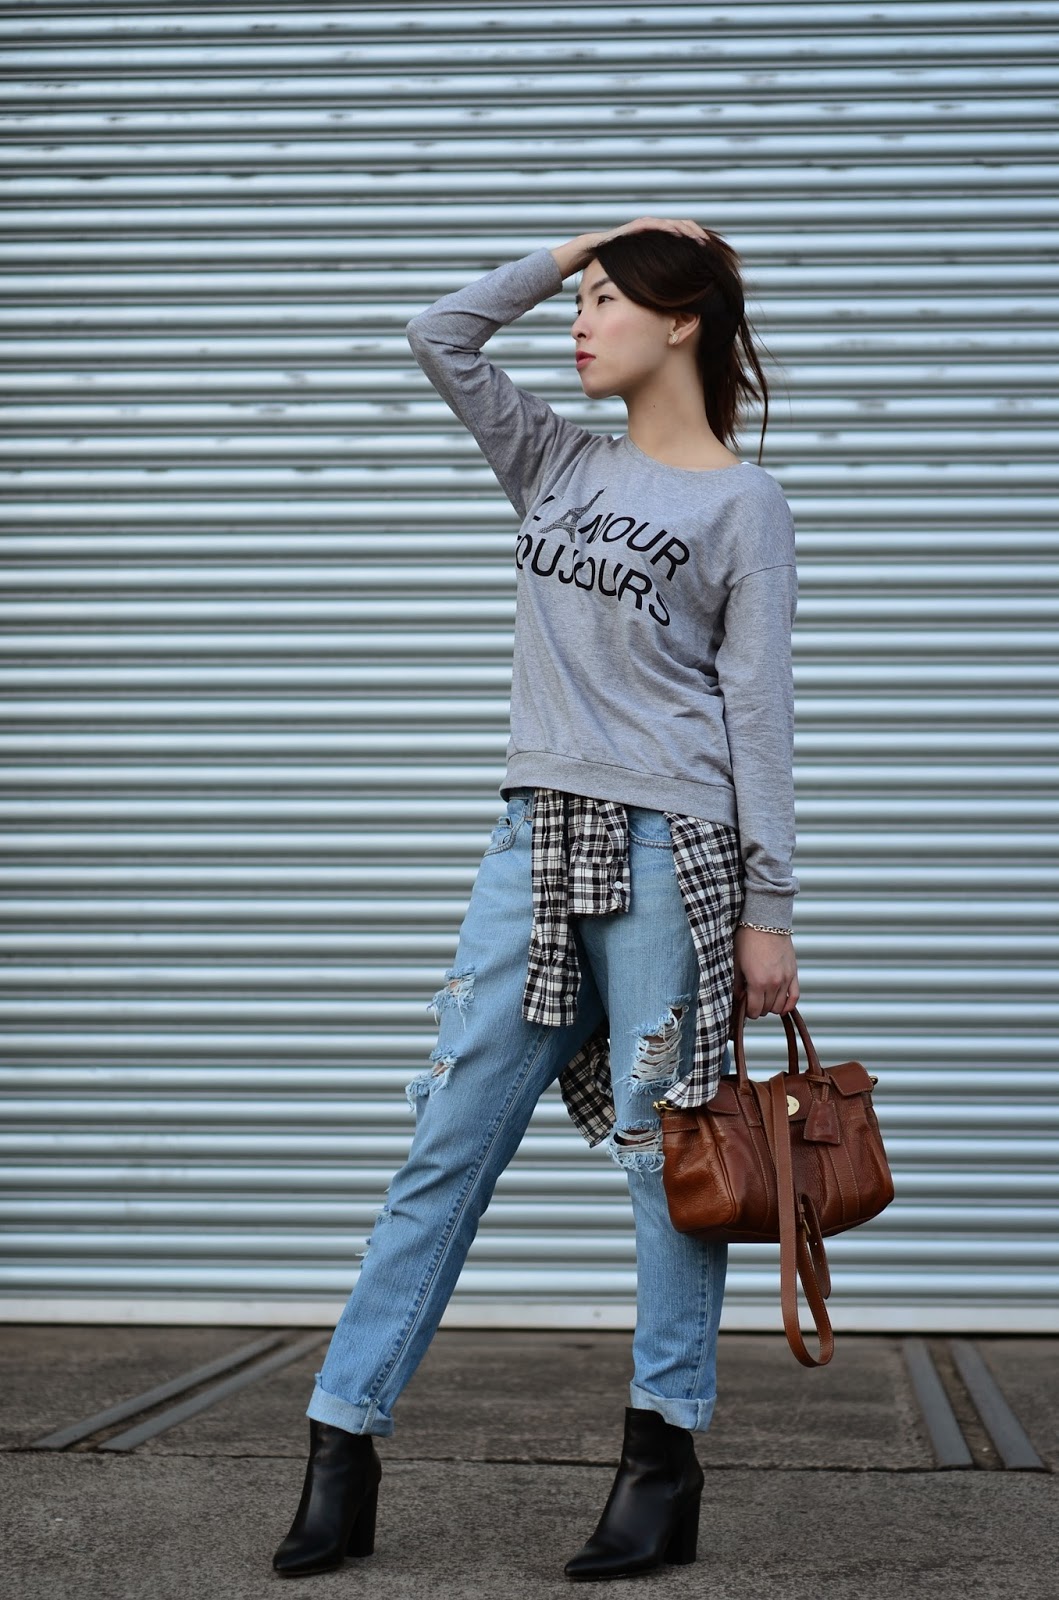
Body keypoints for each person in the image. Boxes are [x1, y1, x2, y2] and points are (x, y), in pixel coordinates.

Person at [272, 216, 800, 1582]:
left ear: (681, 322)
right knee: (446, 1142)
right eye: (582, 299)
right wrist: (579, 247)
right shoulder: (556, 459)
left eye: (609, 301)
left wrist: (770, 909)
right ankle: (341, 1444)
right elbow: (439, 333)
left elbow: (758, 717)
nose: (580, 323)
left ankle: (661, 1463)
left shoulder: (744, 507)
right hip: (536, 842)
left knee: (664, 1162)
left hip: (674, 849)